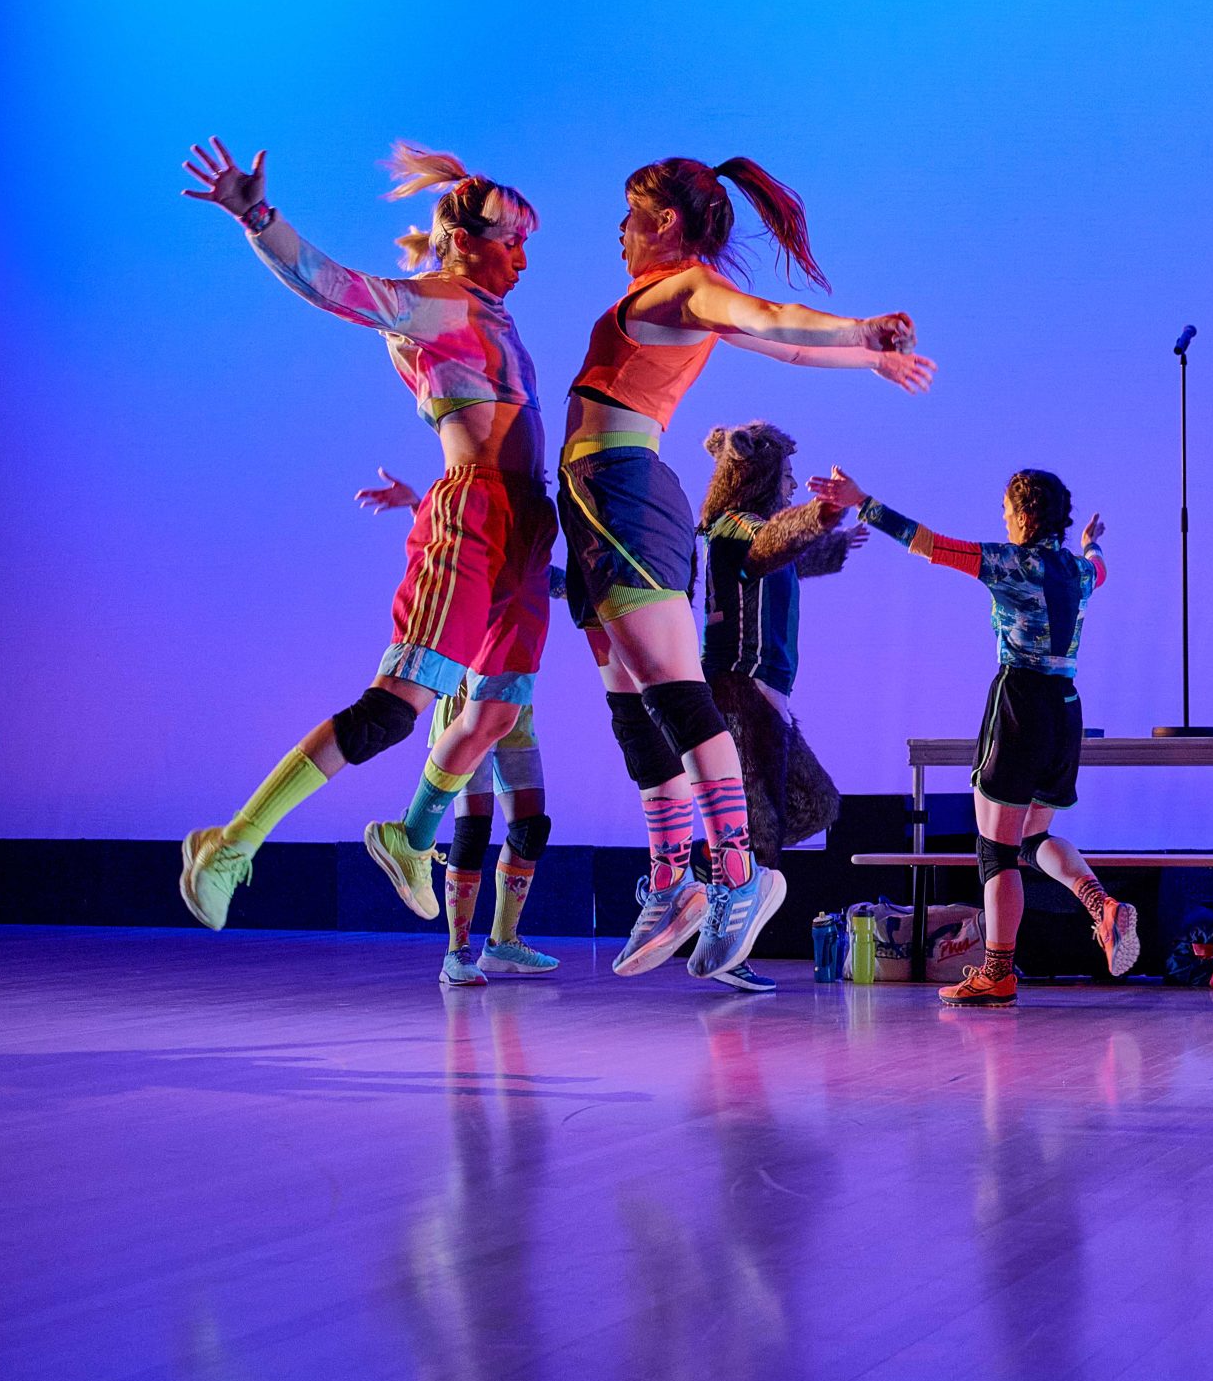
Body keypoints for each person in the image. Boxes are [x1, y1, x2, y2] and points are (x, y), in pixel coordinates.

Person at [564, 156, 933, 983]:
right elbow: (783, 349)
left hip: (623, 488)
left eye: (630, 215)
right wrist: (865, 356)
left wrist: (858, 331)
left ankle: (737, 871)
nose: (619, 231)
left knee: (666, 678)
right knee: (627, 694)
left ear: (665, 223)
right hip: (591, 497)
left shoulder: (682, 287)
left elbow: (773, 316)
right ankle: (671, 877)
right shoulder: (666, 299)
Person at [177, 141, 554, 934]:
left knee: (494, 711)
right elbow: (334, 287)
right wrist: (257, 217)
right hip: (478, 520)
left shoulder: (496, 318)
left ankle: (408, 839)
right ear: (462, 240)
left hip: (524, 529)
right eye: (510, 239)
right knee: (396, 709)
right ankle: (232, 844)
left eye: (526, 242)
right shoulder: (437, 303)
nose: (522, 257)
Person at [806, 465, 1135, 1005]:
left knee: (996, 850)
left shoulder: (1009, 563)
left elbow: (928, 544)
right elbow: (1099, 570)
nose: (1003, 518)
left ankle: (998, 971)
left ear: (1025, 515)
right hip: (1066, 709)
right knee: (1031, 838)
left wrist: (862, 500)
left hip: (1021, 705)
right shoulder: (1076, 572)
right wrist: (1091, 544)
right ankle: (1100, 904)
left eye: (1007, 509)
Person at [359, 469, 563, 986]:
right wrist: (417, 505)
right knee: (473, 827)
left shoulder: (538, 517)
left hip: (517, 690)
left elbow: (542, 579)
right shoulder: (485, 502)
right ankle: (458, 953)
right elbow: (454, 553)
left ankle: (503, 942)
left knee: (531, 824)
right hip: (469, 689)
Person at [696, 422, 866, 993]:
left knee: (811, 803)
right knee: (757, 828)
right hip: (739, 689)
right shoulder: (740, 528)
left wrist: (833, 542)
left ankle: (716, 882)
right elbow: (775, 542)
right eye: (788, 477)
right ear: (763, 476)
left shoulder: (746, 531)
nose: (792, 486)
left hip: (764, 692)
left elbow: (788, 556)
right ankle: (725, 940)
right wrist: (821, 517)